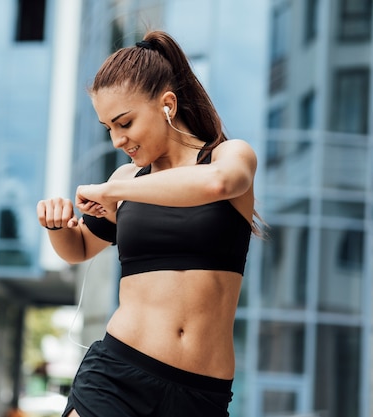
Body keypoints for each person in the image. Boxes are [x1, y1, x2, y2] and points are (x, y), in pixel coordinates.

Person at [36, 30, 263, 417]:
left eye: (124, 122)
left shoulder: (228, 156)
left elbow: (217, 184)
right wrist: (58, 227)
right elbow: (78, 249)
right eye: (109, 127)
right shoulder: (125, 181)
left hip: (200, 394)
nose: (116, 140)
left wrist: (111, 194)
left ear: (167, 105)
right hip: (118, 376)